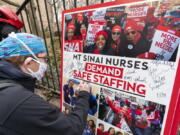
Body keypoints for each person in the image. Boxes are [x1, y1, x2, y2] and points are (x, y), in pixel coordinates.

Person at [0, 32, 90, 135]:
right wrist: (84, 96)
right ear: (29, 63)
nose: (45, 64)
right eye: (44, 59)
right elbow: (71, 129)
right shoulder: (21, 100)